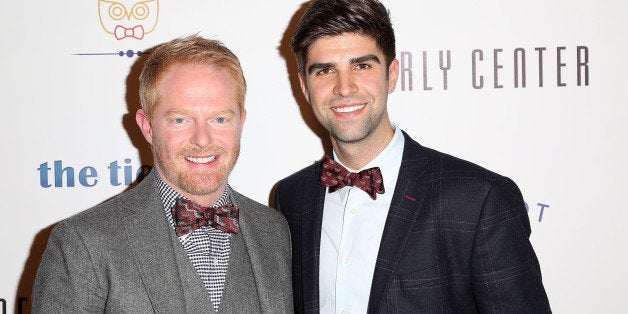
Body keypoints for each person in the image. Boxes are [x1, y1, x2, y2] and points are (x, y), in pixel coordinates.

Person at [273, 0, 551, 313]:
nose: (344, 87)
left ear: (391, 74)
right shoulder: (291, 199)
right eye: (325, 71)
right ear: (305, 87)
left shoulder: (479, 200)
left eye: (362, 66)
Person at [33, 35, 293, 313]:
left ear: (240, 123)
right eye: (180, 120)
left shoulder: (273, 230)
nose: (202, 139)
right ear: (147, 127)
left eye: (219, 119)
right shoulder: (82, 244)